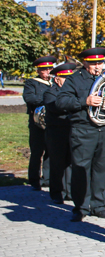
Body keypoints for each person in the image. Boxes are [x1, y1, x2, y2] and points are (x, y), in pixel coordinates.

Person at [56, 47, 105, 222]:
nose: (97, 66)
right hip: (83, 130)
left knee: (101, 169)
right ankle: (81, 207)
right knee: (81, 169)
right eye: (93, 63)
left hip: (104, 129)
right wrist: (85, 101)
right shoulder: (74, 79)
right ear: (85, 63)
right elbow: (61, 102)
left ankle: (99, 206)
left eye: (100, 63)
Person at [43, 61, 77, 204]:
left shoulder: (72, 92)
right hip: (56, 132)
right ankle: (57, 192)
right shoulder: (50, 93)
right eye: (65, 78)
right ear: (57, 79)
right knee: (57, 163)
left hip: (71, 129)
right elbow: (58, 107)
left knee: (70, 162)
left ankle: (69, 191)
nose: (68, 81)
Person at [23, 55, 55, 191]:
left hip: (52, 122)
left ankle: (47, 179)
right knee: (37, 152)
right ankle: (34, 180)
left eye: (50, 69)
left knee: (50, 151)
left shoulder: (55, 83)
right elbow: (29, 98)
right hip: (37, 123)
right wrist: (47, 99)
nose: (48, 72)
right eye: (44, 69)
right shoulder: (31, 83)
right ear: (38, 71)